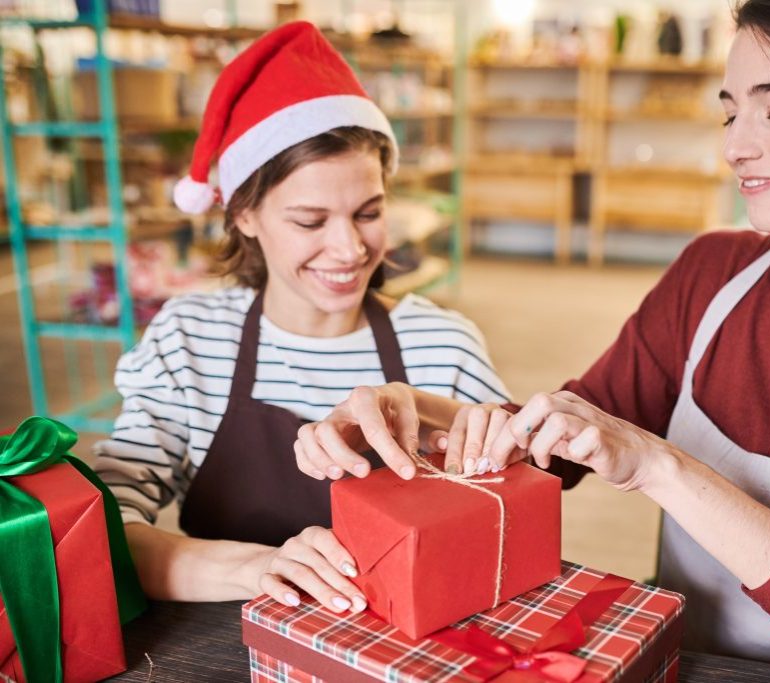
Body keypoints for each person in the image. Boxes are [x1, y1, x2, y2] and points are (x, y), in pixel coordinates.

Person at [292, 0, 770, 678]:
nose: (736, 145)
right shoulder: (713, 270)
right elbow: (580, 426)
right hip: (676, 660)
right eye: (731, 111)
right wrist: (420, 414)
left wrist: (658, 464)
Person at [92, 22, 509, 615]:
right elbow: (102, 532)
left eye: (368, 213)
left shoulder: (443, 346)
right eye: (310, 222)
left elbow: (507, 515)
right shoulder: (189, 342)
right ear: (243, 215)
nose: (348, 249)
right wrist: (258, 567)